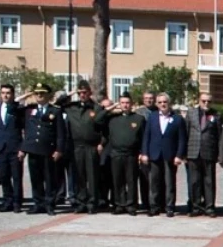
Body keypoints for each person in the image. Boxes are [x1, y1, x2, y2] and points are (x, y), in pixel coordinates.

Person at [20, 82, 67, 215]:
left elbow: (60, 133)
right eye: (37, 93)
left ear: (48, 95)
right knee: (36, 178)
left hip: (48, 150)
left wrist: (59, 150)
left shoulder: (55, 111)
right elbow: (14, 107)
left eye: (42, 93)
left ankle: (49, 204)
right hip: (33, 149)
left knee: (50, 179)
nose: (39, 96)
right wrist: (27, 95)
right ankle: (38, 203)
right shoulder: (29, 110)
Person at [60, 80, 106, 213]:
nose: (82, 95)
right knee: (78, 176)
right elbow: (57, 104)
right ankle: (81, 202)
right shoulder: (71, 107)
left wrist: (101, 143)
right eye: (80, 93)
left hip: (91, 146)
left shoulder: (96, 108)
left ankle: (92, 203)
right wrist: (70, 93)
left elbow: (104, 128)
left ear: (90, 93)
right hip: (76, 147)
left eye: (84, 92)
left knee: (92, 176)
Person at [140, 93, 186, 216]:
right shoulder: (152, 117)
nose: (162, 104)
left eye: (164, 102)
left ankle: (169, 207)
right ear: (156, 104)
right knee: (153, 182)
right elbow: (146, 136)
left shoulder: (177, 118)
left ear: (169, 103)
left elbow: (182, 139)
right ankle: (154, 206)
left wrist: (179, 155)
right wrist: (144, 153)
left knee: (169, 182)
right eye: (159, 102)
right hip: (154, 154)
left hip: (170, 155)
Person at [104, 93, 145, 216]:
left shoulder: (139, 119)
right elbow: (98, 118)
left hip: (132, 154)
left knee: (131, 180)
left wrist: (142, 153)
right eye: (122, 103)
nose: (125, 105)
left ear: (131, 104)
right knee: (118, 180)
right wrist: (111, 108)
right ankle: (119, 204)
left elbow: (143, 138)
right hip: (116, 154)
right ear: (119, 104)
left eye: (127, 102)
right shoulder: (112, 119)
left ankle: (131, 205)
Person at [0, 84, 26, 212]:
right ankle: (7, 201)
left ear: (13, 94)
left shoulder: (19, 109)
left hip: (15, 147)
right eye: (3, 93)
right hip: (0, 148)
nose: (5, 95)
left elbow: (25, 130)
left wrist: (22, 148)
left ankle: (17, 202)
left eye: (8, 93)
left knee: (16, 177)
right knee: (3, 176)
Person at [184, 92, 221, 217]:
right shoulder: (191, 113)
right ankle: (195, 207)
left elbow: (219, 135)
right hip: (193, 152)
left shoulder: (216, 114)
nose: (206, 103)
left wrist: (219, 154)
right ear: (199, 101)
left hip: (209, 152)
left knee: (209, 181)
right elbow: (186, 132)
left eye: (209, 101)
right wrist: (184, 153)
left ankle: (209, 207)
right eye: (204, 101)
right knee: (194, 181)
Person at [135, 91, 156, 211]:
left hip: (156, 149)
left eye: (151, 98)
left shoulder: (159, 112)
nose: (149, 100)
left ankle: (156, 201)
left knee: (156, 178)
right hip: (142, 149)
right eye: (146, 98)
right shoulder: (138, 113)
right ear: (143, 100)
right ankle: (145, 202)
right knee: (144, 178)